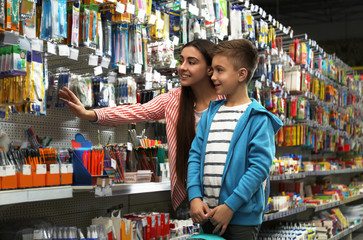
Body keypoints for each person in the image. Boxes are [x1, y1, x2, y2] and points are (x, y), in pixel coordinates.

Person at [58, 39, 225, 212]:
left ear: (209, 69)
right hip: (191, 195)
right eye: (181, 60)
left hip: (226, 192)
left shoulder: (227, 102)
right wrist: (90, 114)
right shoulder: (174, 100)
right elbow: (137, 111)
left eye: (192, 62)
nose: (182, 67)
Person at [187, 39, 283, 240]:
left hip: (241, 219)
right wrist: (194, 196)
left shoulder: (258, 118)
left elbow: (259, 168)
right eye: (212, 70)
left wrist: (231, 206)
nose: (212, 75)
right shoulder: (209, 114)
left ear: (241, 74)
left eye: (219, 70)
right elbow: (195, 156)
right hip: (208, 215)